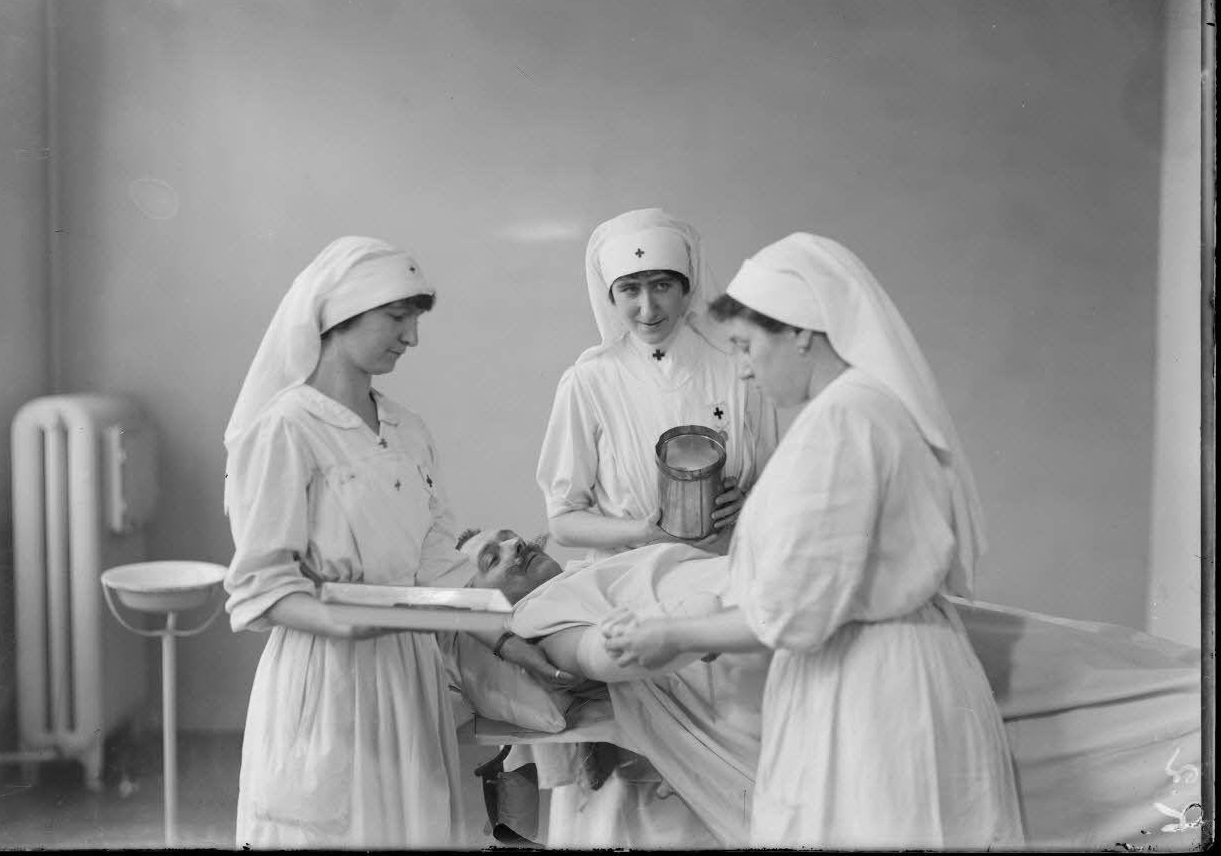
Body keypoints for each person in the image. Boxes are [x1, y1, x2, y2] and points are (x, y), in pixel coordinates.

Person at [603, 232, 1026, 849]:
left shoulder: (844, 421)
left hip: (872, 691)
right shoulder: (871, 408)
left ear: (802, 332)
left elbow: (793, 613)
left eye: (747, 347)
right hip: (888, 673)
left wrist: (669, 635)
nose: (742, 368)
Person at [462, 526, 1203, 850]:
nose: (509, 544)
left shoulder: (592, 570)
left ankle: (1175, 710)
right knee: (1025, 715)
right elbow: (601, 655)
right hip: (769, 660)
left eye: (498, 534)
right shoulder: (536, 619)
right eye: (489, 559)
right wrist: (691, 625)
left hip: (803, 618)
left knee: (1035, 670)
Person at [220, 237, 571, 850]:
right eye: (398, 317)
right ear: (339, 314)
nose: (411, 337)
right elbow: (260, 591)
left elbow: (441, 568)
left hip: (409, 679)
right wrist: (354, 618)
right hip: (326, 681)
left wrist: (514, 645)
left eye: (415, 319)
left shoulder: (408, 429)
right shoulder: (286, 429)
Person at [532, 208, 780, 848]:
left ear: (690, 284)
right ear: (610, 296)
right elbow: (563, 520)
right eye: (630, 291)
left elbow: (783, 490)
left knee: (739, 780)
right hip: (633, 598)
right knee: (637, 797)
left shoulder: (736, 366)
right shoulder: (591, 380)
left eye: (663, 285)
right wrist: (646, 529)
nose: (648, 307)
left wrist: (745, 506)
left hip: (730, 599)